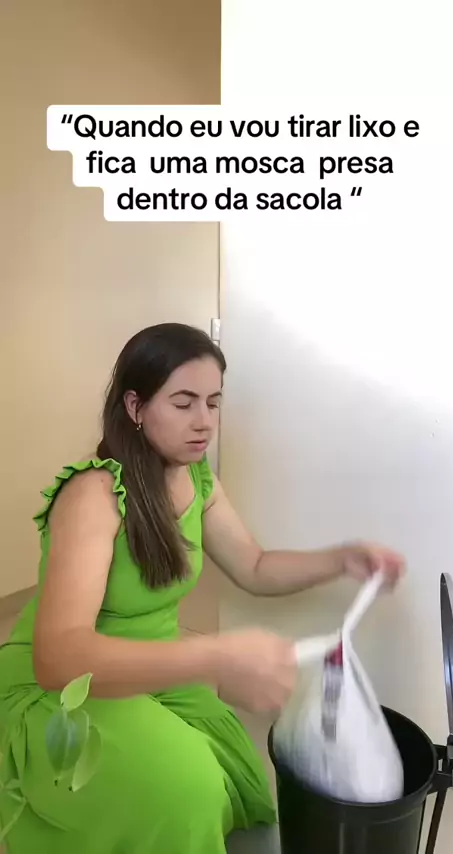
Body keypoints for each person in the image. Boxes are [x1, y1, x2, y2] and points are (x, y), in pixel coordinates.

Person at [0, 323, 404, 854]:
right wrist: (216, 656)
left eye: (213, 403)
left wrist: (340, 559)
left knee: (234, 773)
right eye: (184, 402)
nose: (205, 422)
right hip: (66, 686)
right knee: (190, 789)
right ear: (135, 406)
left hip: (153, 669)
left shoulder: (196, 480)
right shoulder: (93, 494)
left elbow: (254, 566)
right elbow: (59, 659)